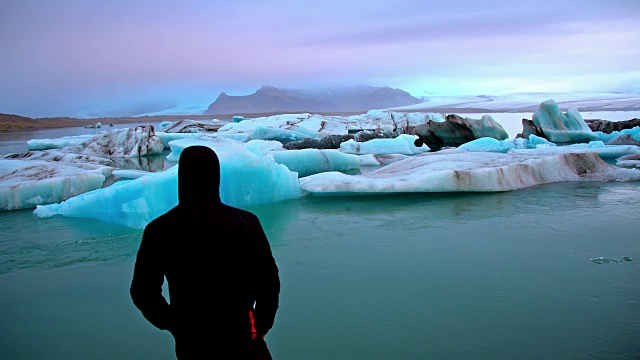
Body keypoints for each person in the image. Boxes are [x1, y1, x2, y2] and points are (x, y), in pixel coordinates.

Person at [130, 145, 280, 359]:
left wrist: (174, 323)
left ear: (182, 177)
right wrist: (262, 324)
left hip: (192, 343)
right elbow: (268, 281)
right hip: (243, 336)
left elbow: (142, 292)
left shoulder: (159, 229)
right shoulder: (246, 222)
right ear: (215, 176)